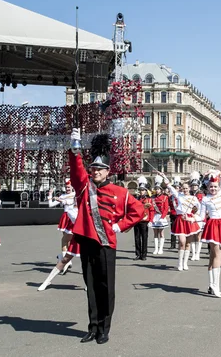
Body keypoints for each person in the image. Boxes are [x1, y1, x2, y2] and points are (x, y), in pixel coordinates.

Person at [68, 129, 144, 345]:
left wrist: (120, 226)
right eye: (93, 168)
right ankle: (92, 327)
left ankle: (104, 328)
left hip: (105, 244)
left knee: (105, 287)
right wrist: (75, 151)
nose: (95, 172)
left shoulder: (120, 192)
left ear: (108, 171)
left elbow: (138, 210)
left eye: (99, 169)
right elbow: (77, 172)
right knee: (90, 287)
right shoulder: (84, 187)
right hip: (87, 241)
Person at [198, 170, 221, 297]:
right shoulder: (205, 199)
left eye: (215, 186)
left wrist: (213, 171)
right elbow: (201, 216)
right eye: (211, 186)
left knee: (213, 256)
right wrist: (190, 218)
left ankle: (212, 285)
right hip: (213, 225)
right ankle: (215, 286)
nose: (213, 188)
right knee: (218, 255)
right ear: (207, 187)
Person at [163, 172, 201, 271]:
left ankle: (185, 263)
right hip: (180, 220)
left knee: (188, 243)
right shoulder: (179, 195)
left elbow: (198, 210)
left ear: (190, 189)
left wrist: (193, 214)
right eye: (183, 188)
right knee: (182, 242)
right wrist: (164, 177)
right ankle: (179, 263)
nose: (184, 190)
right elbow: (170, 187)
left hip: (189, 220)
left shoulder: (194, 198)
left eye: (186, 188)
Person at [47, 179, 77, 274]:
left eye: (69, 187)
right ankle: (65, 259)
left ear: (72, 187)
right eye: (66, 187)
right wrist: (50, 195)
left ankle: (64, 259)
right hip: (65, 218)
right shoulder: (63, 195)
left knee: (69, 240)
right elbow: (51, 205)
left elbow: (69, 202)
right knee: (66, 240)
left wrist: (60, 200)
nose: (67, 188)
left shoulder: (74, 195)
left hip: (73, 218)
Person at [134, 177, 153, 261]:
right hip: (137, 220)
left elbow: (151, 210)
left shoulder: (148, 199)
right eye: (140, 190)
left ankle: (144, 254)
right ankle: (138, 254)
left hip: (145, 221)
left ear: (145, 191)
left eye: (143, 190)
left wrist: (151, 220)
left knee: (144, 238)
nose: (141, 191)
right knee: (137, 238)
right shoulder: (136, 199)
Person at [150, 175, 169, 255]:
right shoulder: (153, 198)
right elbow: (151, 209)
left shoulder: (165, 197)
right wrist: (151, 219)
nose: (157, 190)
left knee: (161, 233)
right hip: (155, 216)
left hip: (161, 217)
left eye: (158, 189)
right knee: (155, 233)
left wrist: (163, 217)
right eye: (156, 189)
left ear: (161, 190)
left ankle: (161, 249)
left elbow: (166, 208)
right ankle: (156, 248)